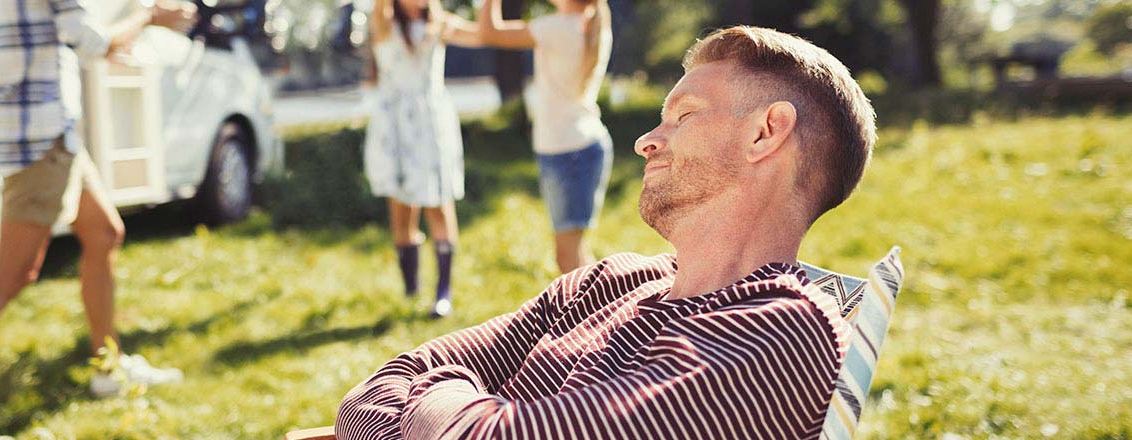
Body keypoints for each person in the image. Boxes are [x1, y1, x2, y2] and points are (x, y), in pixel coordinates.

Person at [335, 25, 878, 439]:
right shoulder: (609, 280)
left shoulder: (782, 331)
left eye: (684, 116)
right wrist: (459, 412)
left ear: (765, 132)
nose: (646, 141)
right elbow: (366, 399)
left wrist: (435, 391)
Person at [0, 1, 196, 438]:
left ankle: (108, 368)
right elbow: (92, 41)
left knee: (104, 233)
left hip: (49, 133)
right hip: (40, 140)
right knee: (10, 276)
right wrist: (148, 15)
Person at [476, 0, 614, 274]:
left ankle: (599, 300)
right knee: (576, 253)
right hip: (580, 146)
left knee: (567, 260)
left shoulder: (556, 28)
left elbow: (488, 33)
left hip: (568, 151)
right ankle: (604, 298)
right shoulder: (588, 25)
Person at [363, 0, 480, 318]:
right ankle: (411, 288)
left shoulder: (440, 24)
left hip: (431, 127)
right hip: (395, 128)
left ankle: (443, 291)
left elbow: (484, 34)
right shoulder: (384, 21)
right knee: (402, 212)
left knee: (439, 204)